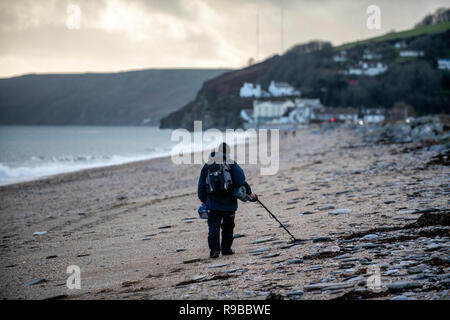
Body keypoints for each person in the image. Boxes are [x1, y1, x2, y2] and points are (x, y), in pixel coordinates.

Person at [197, 142, 256, 258]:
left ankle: (214, 251)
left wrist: (204, 200)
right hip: (229, 204)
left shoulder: (207, 165)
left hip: (212, 204)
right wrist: (249, 193)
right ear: (227, 152)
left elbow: (201, 187)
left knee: (213, 227)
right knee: (228, 227)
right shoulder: (231, 163)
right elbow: (240, 181)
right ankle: (226, 249)